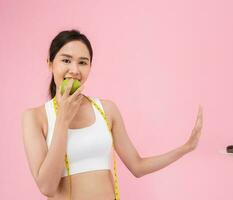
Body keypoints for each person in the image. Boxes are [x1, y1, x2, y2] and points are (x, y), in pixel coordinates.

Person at [22, 29, 203, 200]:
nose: (75, 70)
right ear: (50, 64)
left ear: (90, 67)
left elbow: (137, 166)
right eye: (66, 60)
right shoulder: (35, 117)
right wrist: (62, 119)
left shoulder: (107, 110)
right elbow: (47, 187)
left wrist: (186, 147)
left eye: (83, 62)